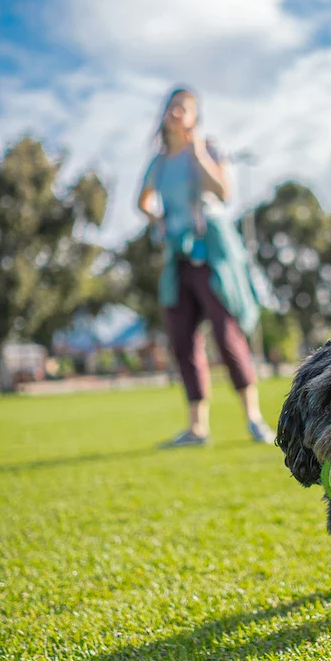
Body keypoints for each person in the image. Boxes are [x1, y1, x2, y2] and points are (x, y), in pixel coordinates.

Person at [138, 86, 274, 446]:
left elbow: (225, 193)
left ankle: (254, 419)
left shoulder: (208, 148)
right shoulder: (160, 161)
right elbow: (143, 201)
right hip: (177, 257)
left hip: (210, 254)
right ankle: (197, 428)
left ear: (195, 116)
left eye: (185, 108)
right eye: (173, 106)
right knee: (182, 340)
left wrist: (198, 152)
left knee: (226, 333)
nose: (177, 112)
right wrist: (158, 222)